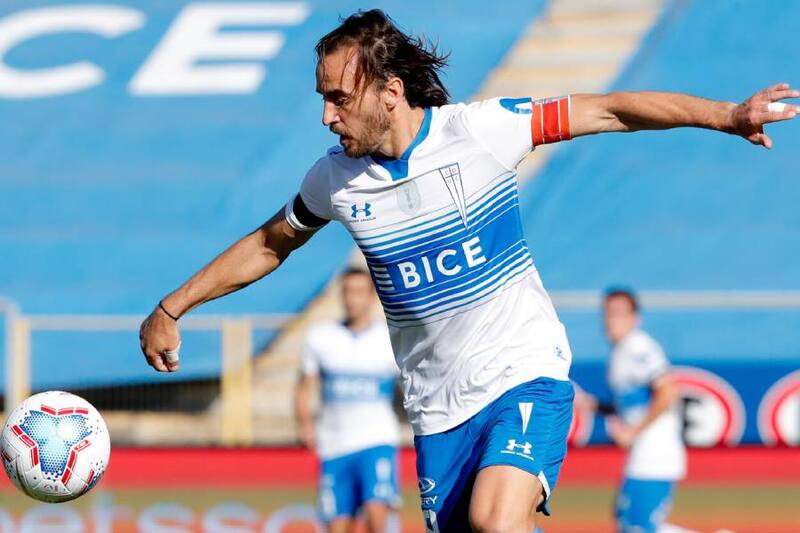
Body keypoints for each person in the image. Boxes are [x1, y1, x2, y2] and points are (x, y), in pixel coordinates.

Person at [139, 9, 798, 533]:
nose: (326, 115)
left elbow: (608, 109)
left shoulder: (483, 130)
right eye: (323, 98)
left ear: (390, 91)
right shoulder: (334, 179)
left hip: (524, 373)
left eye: (338, 98)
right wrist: (174, 305)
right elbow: (271, 242)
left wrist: (725, 115)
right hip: (436, 413)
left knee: (495, 519)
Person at [577, 288, 699, 533]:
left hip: (656, 449)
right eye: (607, 312)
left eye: (619, 313)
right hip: (643, 449)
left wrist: (633, 432)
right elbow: (630, 406)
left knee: (637, 526)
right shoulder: (620, 352)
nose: (611, 320)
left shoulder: (638, 346)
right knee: (629, 522)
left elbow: (668, 391)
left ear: (635, 318)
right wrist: (593, 405)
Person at [295, 267, 400, 533]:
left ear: (372, 296)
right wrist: (305, 424)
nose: (352, 299)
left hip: (376, 440)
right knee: (338, 526)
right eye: (347, 292)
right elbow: (304, 387)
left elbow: (412, 386)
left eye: (359, 292)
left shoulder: (389, 338)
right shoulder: (321, 336)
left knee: (376, 515)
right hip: (334, 444)